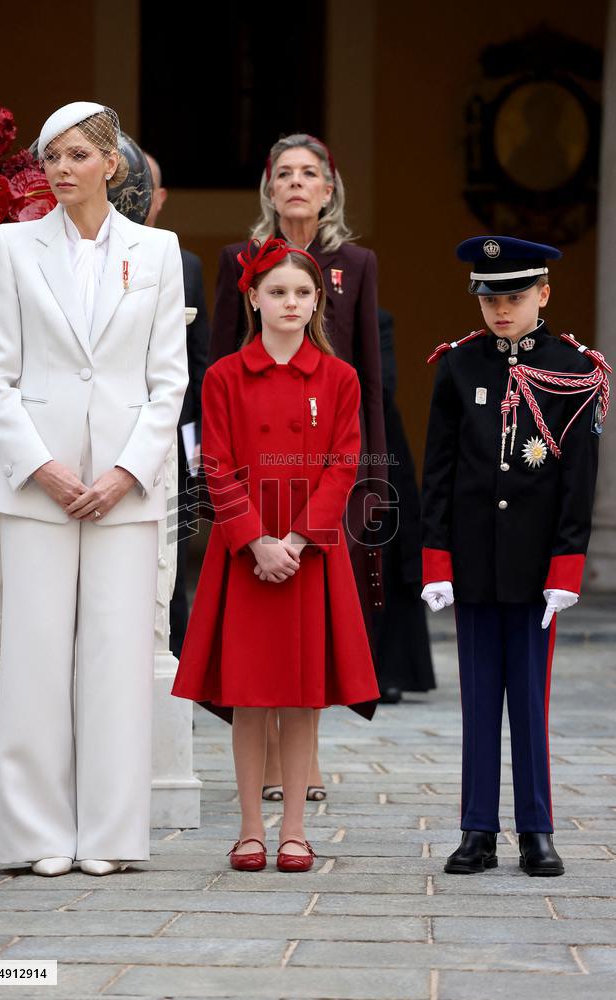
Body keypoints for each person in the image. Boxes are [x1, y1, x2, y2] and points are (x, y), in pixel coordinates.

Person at [0, 102, 188, 876]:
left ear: (112, 164)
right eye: (48, 158)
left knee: (116, 659)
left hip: (123, 490)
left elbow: (168, 382)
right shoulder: (12, 245)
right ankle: (34, 838)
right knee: (33, 656)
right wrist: (44, 466)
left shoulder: (158, 251)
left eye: (74, 155)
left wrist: (128, 470)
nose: (59, 170)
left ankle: (109, 838)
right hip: (38, 484)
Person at [172, 238, 380, 871]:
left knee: (301, 696)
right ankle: (249, 829)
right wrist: (256, 540)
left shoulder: (339, 377)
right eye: (277, 292)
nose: (290, 302)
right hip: (245, 554)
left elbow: (344, 465)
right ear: (253, 299)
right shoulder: (224, 376)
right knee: (250, 695)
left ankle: (294, 830)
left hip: (310, 554)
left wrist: (294, 540)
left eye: (302, 292)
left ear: (318, 300)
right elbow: (215, 464)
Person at [421, 236, 610, 877]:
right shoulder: (459, 366)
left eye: (515, 296)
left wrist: (566, 569)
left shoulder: (574, 369)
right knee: (478, 702)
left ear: (544, 295)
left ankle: (536, 830)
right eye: (490, 297)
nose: (501, 309)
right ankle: (477, 829)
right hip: (473, 564)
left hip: (534, 572)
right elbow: (439, 474)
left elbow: (577, 481)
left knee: (529, 700)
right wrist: (437, 561)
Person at [210, 133, 387, 801]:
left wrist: (371, 474)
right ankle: (276, 764)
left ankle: (304, 759)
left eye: (309, 173)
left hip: (328, 463)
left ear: (328, 186)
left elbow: (367, 375)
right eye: (283, 173)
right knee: (259, 619)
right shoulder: (237, 259)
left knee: (316, 616)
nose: (296, 183)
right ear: (269, 187)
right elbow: (223, 356)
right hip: (253, 462)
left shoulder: (357, 262)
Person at [143, 151, 209, 656]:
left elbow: (199, 359)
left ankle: (177, 682)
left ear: (159, 198)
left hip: (174, 439)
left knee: (173, 560)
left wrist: (195, 446)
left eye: (144, 182)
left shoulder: (186, 265)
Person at [374, 308, 435, 702]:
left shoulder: (375, 319)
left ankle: (387, 667)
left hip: (372, 435)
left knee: (384, 546)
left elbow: (384, 383)